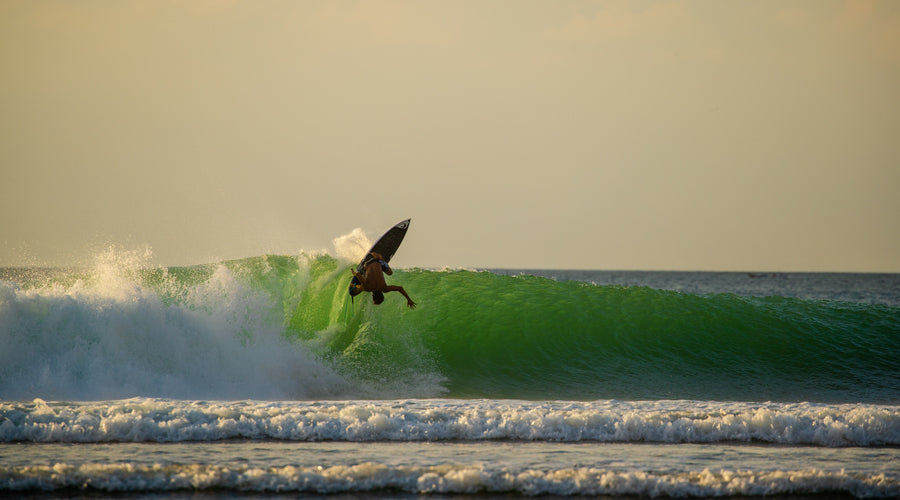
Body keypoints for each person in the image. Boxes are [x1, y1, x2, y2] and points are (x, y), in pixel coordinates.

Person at [350, 252, 416, 309]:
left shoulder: (385, 288)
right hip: (366, 264)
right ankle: (379, 256)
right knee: (388, 273)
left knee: (390, 273)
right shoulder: (368, 288)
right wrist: (354, 273)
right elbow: (358, 274)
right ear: (373, 296)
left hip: (377, 261)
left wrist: (409, 299)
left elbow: (400, 288)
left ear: (381, 294)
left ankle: (378, 257)